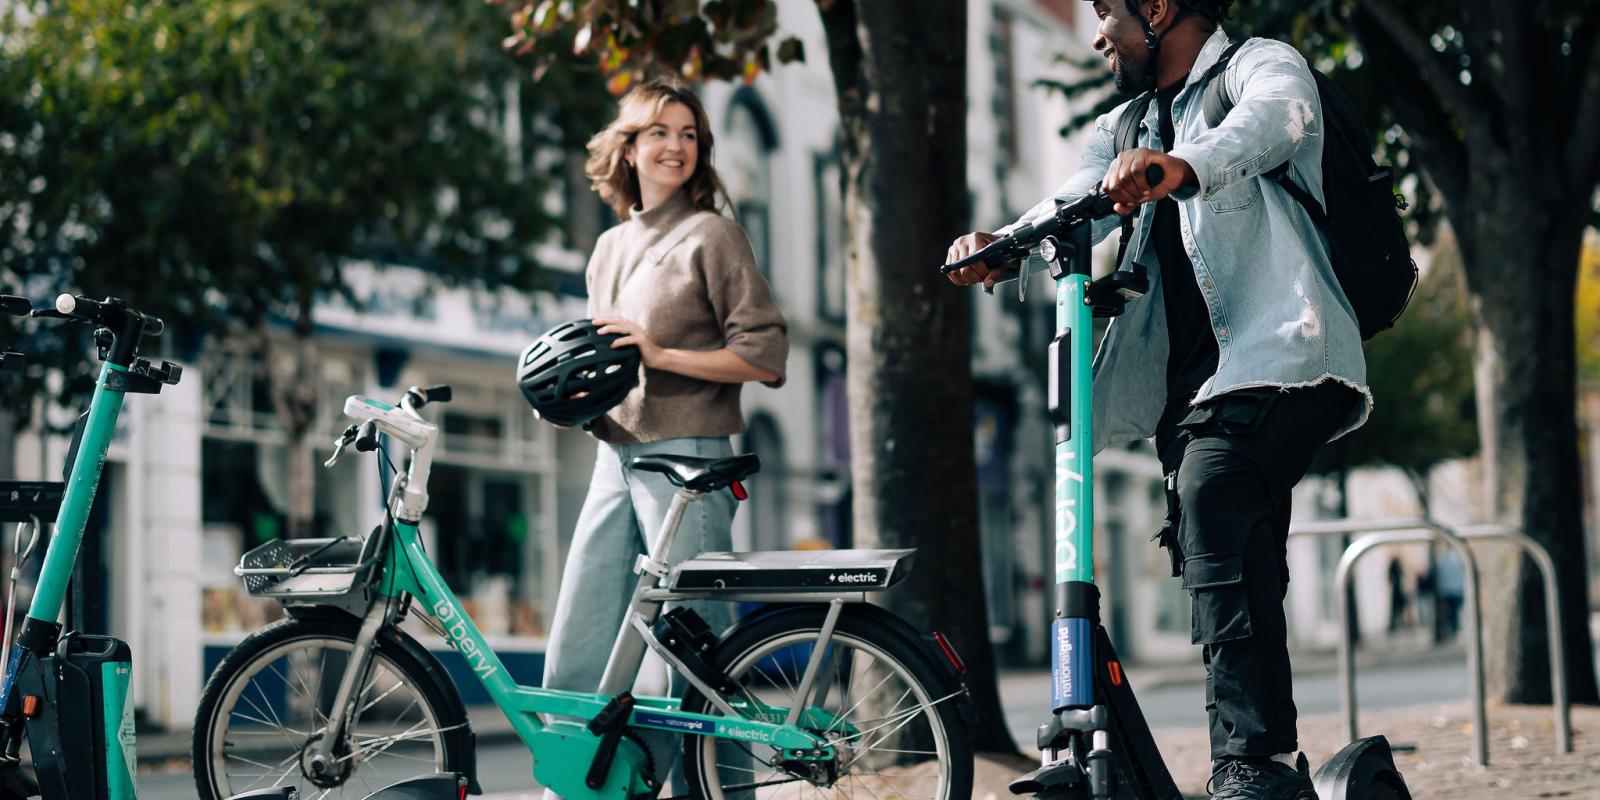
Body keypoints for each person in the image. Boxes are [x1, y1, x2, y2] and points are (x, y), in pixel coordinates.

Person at [946, 2, 1368, 798]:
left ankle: (1254, 763)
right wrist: (1001, 246)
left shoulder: (1257, 66)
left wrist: (1181, 167)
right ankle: (1262, 761)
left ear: (1160, 9)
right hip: (1190, 385)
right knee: (1224, 543)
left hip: (1285, 353)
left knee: (1215, 494)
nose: (1099, 33)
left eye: (1108, 12)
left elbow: (1277, 120)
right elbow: (1071, 200)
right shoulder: (1121, 124)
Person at [536, 77, 788, 796]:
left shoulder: (713, 235)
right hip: (614, 457)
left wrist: (661, 354)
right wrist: (564, 394)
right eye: (659, 133)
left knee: (692, 655)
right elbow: (606, 361)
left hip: (691, 461)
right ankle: (576, 785)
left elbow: (765, 356)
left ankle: (714, 791)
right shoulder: (609, 248)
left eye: (688, 134)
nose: (675, 146)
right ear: (629, 147)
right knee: (579, 642)